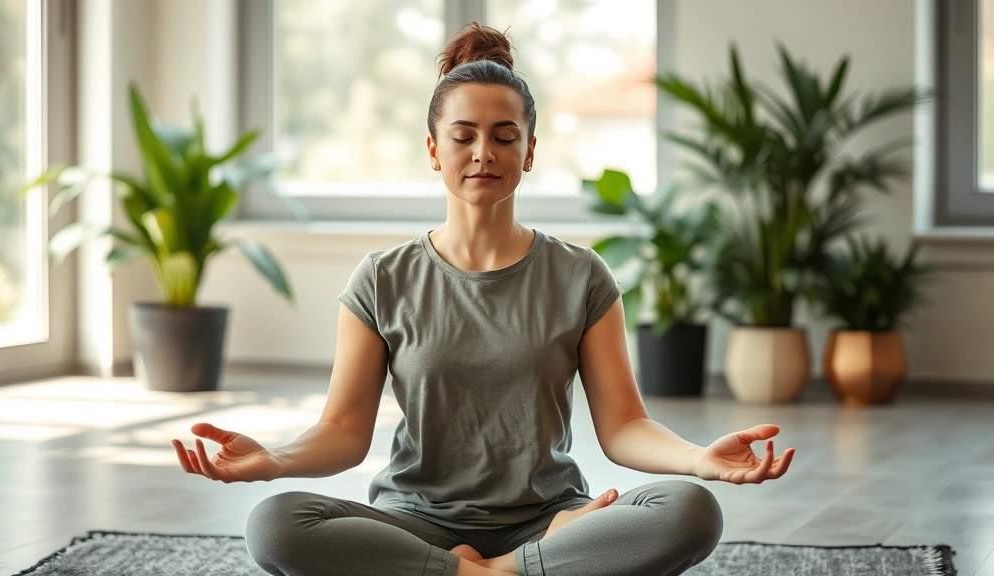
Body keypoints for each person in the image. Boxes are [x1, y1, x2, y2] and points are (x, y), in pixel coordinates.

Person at [170, 22, 795, 576]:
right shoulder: (381, 279)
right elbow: (342, 432)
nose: (482, 154)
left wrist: (699, 461)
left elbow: (625, 426)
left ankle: (478, 568)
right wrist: (273, 459)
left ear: (528, 151)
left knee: (689, 511)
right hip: (415, 521)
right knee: (275, 524)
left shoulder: (581, 276)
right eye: (463, 135)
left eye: (503, 136)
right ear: (433, 149)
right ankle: (504, 572)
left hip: (547, 513)